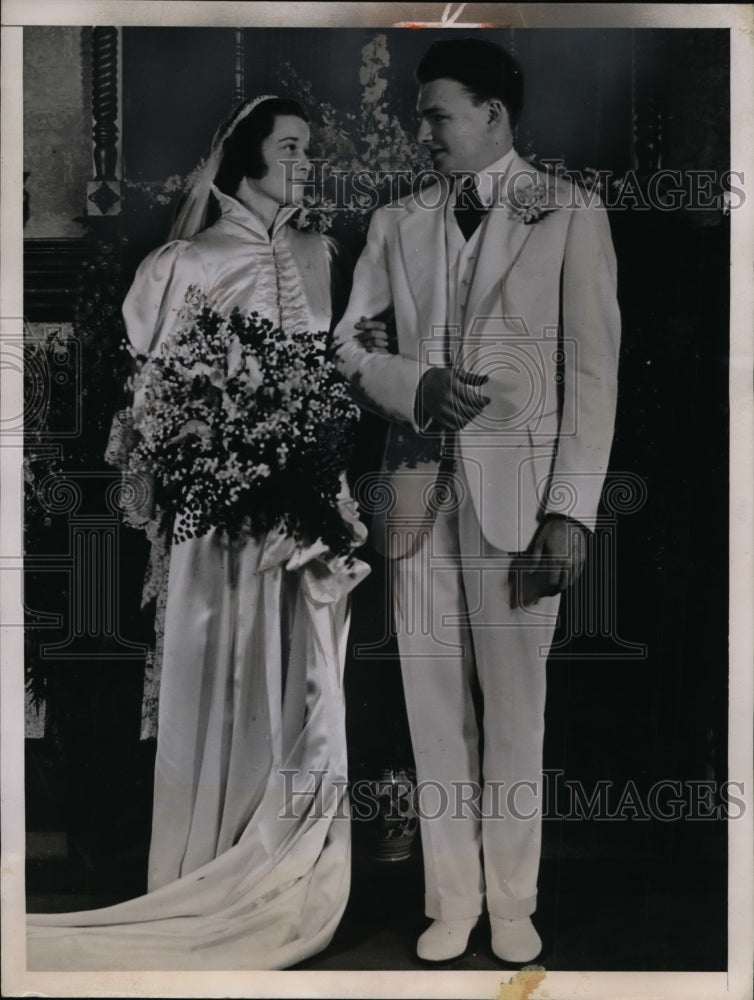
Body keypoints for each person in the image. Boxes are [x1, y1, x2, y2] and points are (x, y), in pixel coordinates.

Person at [27, 94, 372, 971]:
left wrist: (319, 491)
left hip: (306, 518)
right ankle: (211, 865)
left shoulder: (321, 255)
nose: (305, 163)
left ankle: (292, 873)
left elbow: (332, 386)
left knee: (306, 686)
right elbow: (151, 407)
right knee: (220, 683)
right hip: (217, 520)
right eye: (289, 147)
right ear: (244, 157)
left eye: (309, 149)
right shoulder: (184, 262)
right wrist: (224, 458)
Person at [334, 38, 621, 963]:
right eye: (421, 117)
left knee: (515, 708)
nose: (422, 134)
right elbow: (349, 345)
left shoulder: (569, 211)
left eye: (437, 115)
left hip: (522, 500)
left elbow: (594, 376)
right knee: (431, 706)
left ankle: (513, 903)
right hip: (416, 496)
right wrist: (412, 384)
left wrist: (570, 511)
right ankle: (451, 901)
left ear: (495, 114)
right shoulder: (396, 222)